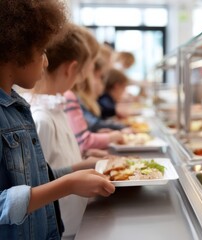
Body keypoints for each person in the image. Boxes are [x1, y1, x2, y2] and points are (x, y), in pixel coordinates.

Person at [0, 1, 115, 239]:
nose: (46, 60)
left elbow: (38, 179)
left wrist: (79, 169)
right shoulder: (32, 115)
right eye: (42, 50)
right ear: (17, 48)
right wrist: (68, 185)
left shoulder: (17, 109)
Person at [25, 23, 106, 239]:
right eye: (81, 73)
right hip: (62, 226)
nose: (80, 80)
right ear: (71, 69)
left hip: (74, 219)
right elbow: (36, 186)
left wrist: (85, 163)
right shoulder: (42, 119)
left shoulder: (56, 110)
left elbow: (54, 167)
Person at [64, 26, 123, 153]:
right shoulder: (69, 97)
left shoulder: (67, 97)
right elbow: (84, 141)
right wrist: (117, 131)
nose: (102, 83)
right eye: (100, 77)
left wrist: (97, 133)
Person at [74, 55, 127, 132]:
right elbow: (95, 125)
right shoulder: (76, 99)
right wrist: (122, 127)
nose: (102, 83)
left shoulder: (88, 101)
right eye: (99, 77)